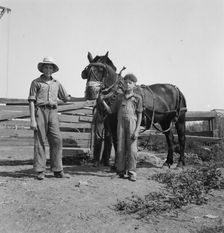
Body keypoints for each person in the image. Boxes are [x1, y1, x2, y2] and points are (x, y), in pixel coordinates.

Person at [28, 57, 71, 180]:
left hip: (53, 112)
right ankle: (40, 170)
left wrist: (84, 97)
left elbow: (65, 98)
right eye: (46, 67)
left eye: (50, 67)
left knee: (57, 140)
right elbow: (31, 102)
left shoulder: (57, 83)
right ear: (42, 68)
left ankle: (58, 170)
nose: (48, 69)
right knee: (40, 140)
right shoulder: (36, 82)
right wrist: (32, 119)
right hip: (40, 111)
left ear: (53, 69)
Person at [100, 74, 143, 181]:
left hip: (132, 124)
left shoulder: (137, 98)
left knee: (132, 150)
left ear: (134, 85)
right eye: (126, 82)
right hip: (121, 125)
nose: (127, 85)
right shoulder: (119, 97)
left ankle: (132, 172)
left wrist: (137, 130)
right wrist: (103, 101)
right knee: (120, 149)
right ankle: (120, 171)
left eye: (130, 83)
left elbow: (140, 114)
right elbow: (111, 111)